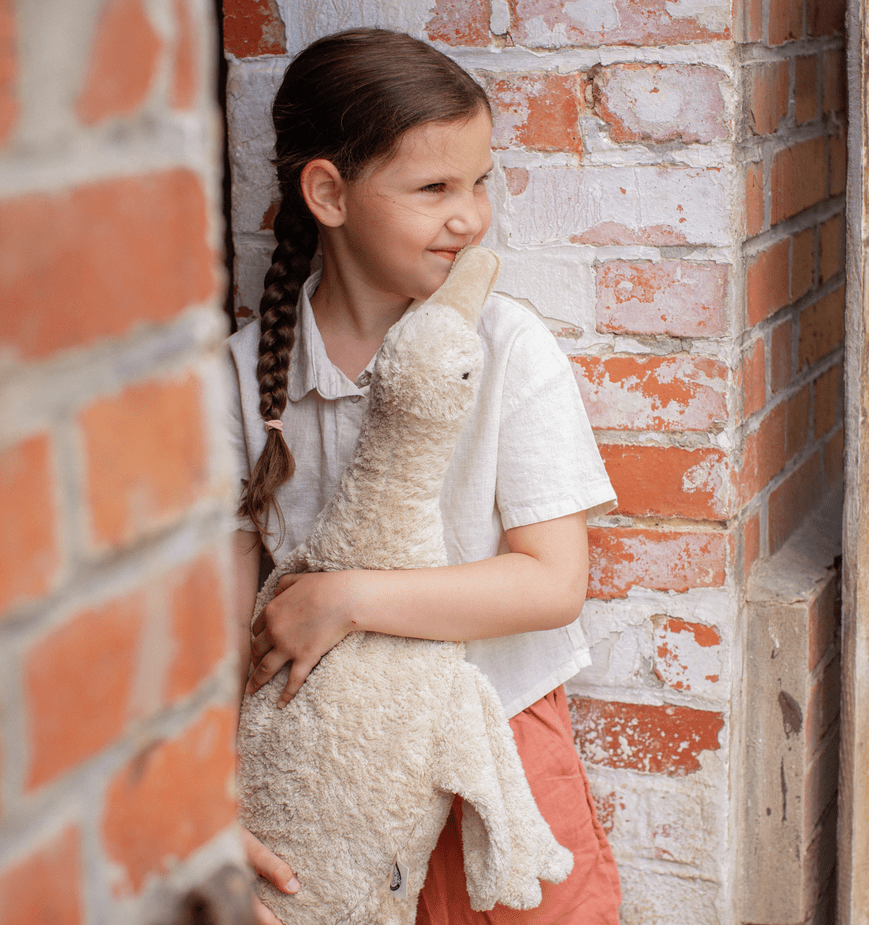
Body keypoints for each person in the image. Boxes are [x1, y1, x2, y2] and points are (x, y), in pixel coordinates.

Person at [226, 28, 622, 925]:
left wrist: (346, 597)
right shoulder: (241, 380)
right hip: (326, 774)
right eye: (434, 187)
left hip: (497, 740)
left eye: (479, 181)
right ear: (327, 192)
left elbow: (552, 581)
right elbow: (224, 634)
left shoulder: (505, 344)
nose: (470, 215)